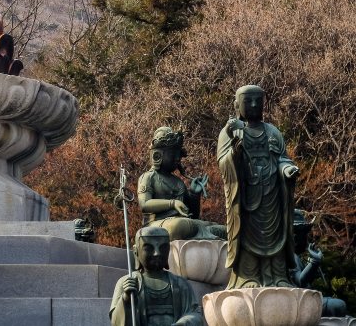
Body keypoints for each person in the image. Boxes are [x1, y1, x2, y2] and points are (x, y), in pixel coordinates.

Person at [218, 85, 299, 288]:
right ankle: (248, 277)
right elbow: (223, 163)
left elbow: (283, 159)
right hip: (246, 197)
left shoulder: (272, 132)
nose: (254, 104)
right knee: (247, 236)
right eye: (248, 101)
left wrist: (287, 169)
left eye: (258, 100)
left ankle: (279, 276)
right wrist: (235, 154)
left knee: (276, 235)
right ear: (237, 105)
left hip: (272, 195)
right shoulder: (231, 131)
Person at [138, 126, 226, 241]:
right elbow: (144, 204)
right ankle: (200, 232)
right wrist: (172, 203)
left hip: (184, 223)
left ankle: (203, 232)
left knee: (223, 229)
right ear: (157, 156)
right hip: (157, 225)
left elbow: (193, 216)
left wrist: (194, 194)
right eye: (173, 155)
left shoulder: (178, 182)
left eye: (179, 155)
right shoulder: (148, 177)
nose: (178, 159)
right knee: (182, 225)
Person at [109, 227, 203, 326]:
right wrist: (126, 299)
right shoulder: (128, 282)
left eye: (163, 248)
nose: (157, 253)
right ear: (136, 251)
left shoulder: (181, 284)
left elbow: (195, 315)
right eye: (149, 248)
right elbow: (115, 322)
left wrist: (184, 323)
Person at [291, 210, 348, 317]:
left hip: (305, 299)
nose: (305, 240)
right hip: (299, 302)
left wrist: (312, 271)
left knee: (338, 306)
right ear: (294, 236)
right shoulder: (289, 256)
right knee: (339, 305)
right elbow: (299, 282)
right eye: (303, 236)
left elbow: (303, 281)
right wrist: (314, 262)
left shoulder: (293, 256)